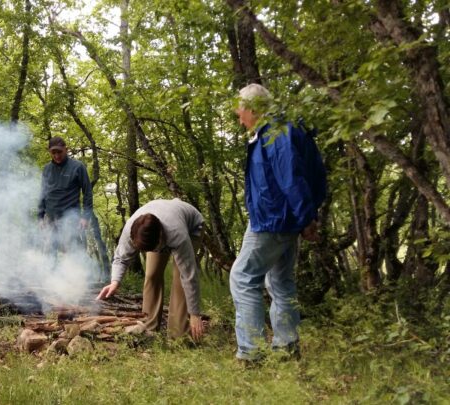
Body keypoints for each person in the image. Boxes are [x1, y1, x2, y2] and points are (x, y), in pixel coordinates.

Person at [230, 83, 327, 361]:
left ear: (252, 108)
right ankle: (286, 348)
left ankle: (251, 353)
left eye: (240, 112)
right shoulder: (281, 129)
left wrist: (307, 217)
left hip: (273, 220)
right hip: (286, 218)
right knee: (281, 281)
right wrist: (306, 216)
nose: (239, 118)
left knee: (243, 277)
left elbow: (292, 178)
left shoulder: (276, 133)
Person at [96, 198, 205, 341]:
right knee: (152, 275)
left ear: (160, 237)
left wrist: (195, 313)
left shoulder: (177, 234)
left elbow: (189, 276)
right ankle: (149, 328)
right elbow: (121, 258)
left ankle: (178, 336)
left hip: (192, 228)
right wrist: (115, 282)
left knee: (180, 279)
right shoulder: (131, 230)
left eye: (155, 247)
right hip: (159, 224)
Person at [38, 136, 93, 252]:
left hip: (70, 218)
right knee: (47, 252)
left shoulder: (78, 167)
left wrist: (85, 217)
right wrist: (40, 217)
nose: (57, 156)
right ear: (49, 152)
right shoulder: (47, 169)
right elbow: (42, 193)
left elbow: (87, 192)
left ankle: (75, 270)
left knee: (71, 253)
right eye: (53, 152)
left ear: (66, 149)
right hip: (49, 217)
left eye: (59, 152)